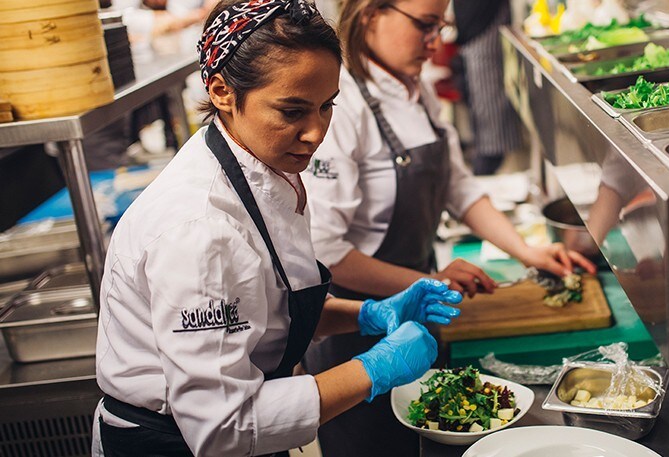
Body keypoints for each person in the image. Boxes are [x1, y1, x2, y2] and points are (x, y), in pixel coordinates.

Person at [91, 1, 461, 455]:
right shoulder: (200, 232)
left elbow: (262, 308)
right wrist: (373, 370)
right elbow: (223, 427)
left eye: (327, 107)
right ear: (222, 92)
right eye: (292, 111)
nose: (315, 133)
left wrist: (365, 313)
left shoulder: (257, 165)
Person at [301, 0, 597, 455]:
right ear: (371, 14)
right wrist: (429, 282)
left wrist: (527, 252)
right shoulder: (343, 107)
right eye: (424, 26)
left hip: (422, 309)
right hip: (356, 331)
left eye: (442, 26)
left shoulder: (418, 91)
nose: (436, 42)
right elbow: (329, 251)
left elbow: (459, 185)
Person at [452, 0, 523, 175]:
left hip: (483, 30)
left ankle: (485, 169)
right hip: (472, 34)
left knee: (491, 123)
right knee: (482, 114)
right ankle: (483, 169)